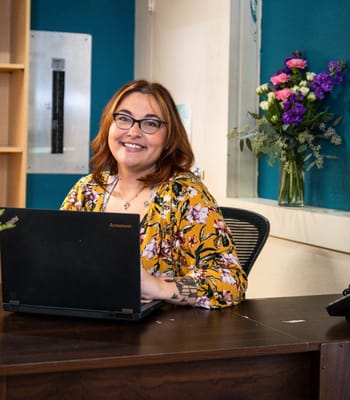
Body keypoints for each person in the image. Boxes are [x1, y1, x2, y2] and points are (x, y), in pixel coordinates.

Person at [61, 79, 247, 308]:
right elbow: (58, 263)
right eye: (124, 118)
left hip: (162, 337)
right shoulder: (86, 191)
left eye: (150, 123)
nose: (133, 131)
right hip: (87, 326)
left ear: (169, 138)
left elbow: (231, 282)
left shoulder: (186, 195)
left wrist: (158, 287)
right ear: (109, 125)